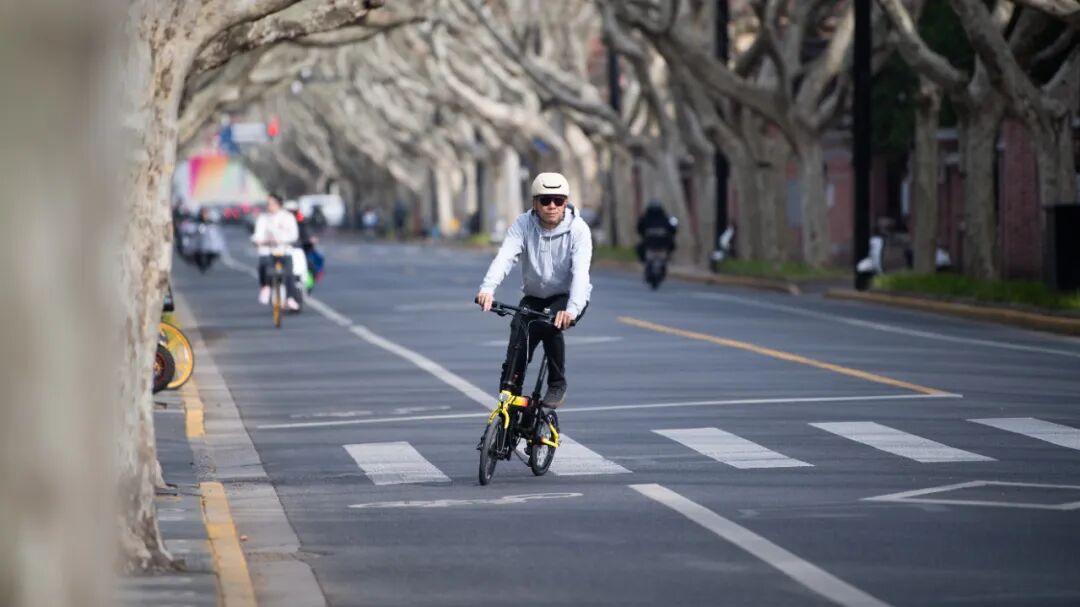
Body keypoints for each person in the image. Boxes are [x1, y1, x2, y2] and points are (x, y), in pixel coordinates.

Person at [476, 172, 592, 408]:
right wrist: (487, 289)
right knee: (518, 337)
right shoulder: (523, 224)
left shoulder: (579, 230)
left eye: (558, 200)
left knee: (549, 322)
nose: (552, 206)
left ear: (565, 203)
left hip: (567, 297)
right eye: (545, 200)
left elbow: (581, 273)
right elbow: (505, 257)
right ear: (535, 203)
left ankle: (557, 383)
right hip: (534, 296)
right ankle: (511, 399)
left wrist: (572, 310)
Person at [251, 193, 301, 310]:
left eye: (272, 204)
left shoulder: (288, 217)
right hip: (268, 250)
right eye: (268, 204)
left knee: (289, 273)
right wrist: (258, 241)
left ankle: (290, 298)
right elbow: (258, 234)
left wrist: (282, 240)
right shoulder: (263, 218)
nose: (269, 206)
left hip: (284, 249)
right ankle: (266, 287)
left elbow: (294, 234)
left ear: (279, 204)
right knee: (263, 266)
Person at [192, 206, 225, 273]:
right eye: (203, 213)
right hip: (199, 242)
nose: (204, 215)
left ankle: (208, 263)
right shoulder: (197, 220)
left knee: (213, 253)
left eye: (205, 213)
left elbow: (215, 231)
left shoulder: (211, 220)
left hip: (209, 242)